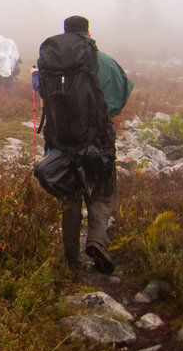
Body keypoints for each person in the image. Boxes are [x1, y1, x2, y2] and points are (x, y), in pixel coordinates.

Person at [31, 15, 133, 274]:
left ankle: (71, 259)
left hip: (60, 140)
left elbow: (43, 94)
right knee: (100, 193)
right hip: (98, 140)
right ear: (88, 31)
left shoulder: (51, 63)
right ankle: (97, 242)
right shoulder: (106, 63)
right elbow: (120, 97)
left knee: (70, 195)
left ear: (65, 32)